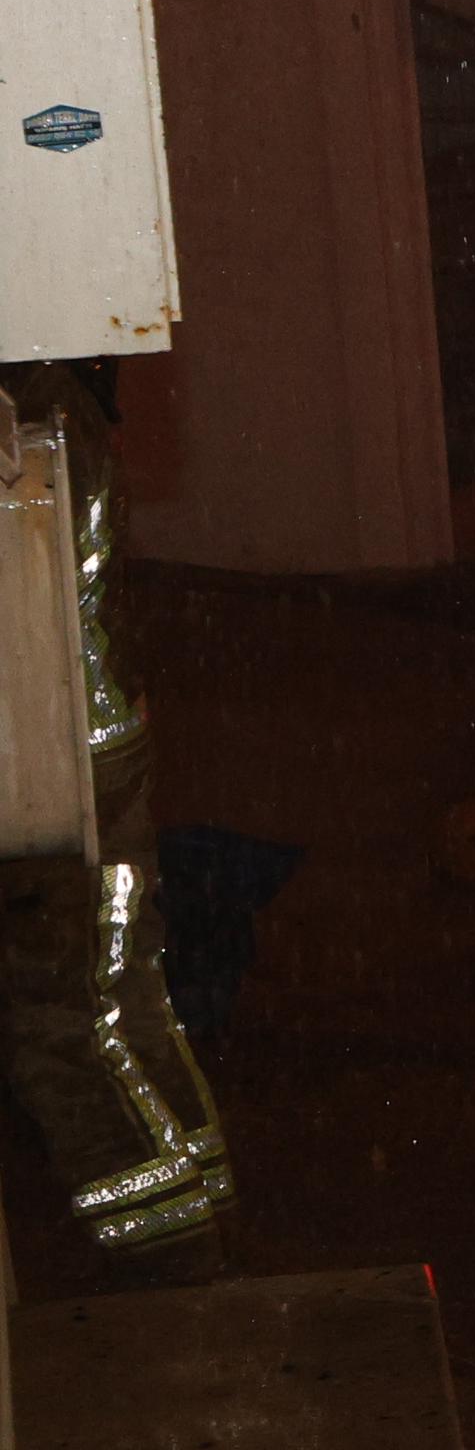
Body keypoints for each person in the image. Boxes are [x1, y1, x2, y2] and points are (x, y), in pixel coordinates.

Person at [0, 359, 234, 1278]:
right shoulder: (61, 394)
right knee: (129, 1005)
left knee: (61, 1033)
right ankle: (210, 1238)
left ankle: (174, 1274)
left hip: (48, 775)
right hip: (104, 748)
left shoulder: (27, 411)